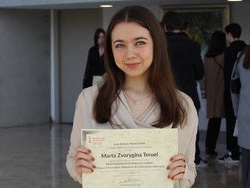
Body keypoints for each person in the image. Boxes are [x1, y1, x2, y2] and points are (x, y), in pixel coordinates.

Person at [66, 6, 198, 187]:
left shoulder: (183, 105)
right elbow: (73, 159)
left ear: (156, 44)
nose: (130, 54)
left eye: (140, 43)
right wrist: (79, 167)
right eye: (119, 45)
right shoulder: (89, 99)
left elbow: (189, 169)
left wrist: (181, 173)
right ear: (111, 51)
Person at [161, 11, 205, 167]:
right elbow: (200, 73)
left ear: (165, 26)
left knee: (165, 131)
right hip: (188, 95)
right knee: (191, 130)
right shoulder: (193, 46)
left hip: (163, 95)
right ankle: (193, 160)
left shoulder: (159, 45)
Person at [218, 23, 247, 163]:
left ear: (230, 34)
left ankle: (233, 152)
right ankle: (243, 151)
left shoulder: (229, 51)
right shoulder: (247, 49)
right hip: (245, 92)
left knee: (231, 121)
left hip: (231, 92)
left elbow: (228, 74)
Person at [235, 23, 250, 188]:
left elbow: (234, 87)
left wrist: (237, 111)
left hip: (245, 115)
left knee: (247, 160)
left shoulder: (242, 57)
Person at [204, 31, 226, 157]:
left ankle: (209, 146)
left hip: (211, 93)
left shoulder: (207, 57)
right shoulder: (223, 56)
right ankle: (229, 148)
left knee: (213, 121)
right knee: (223, 121)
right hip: (221, 92)